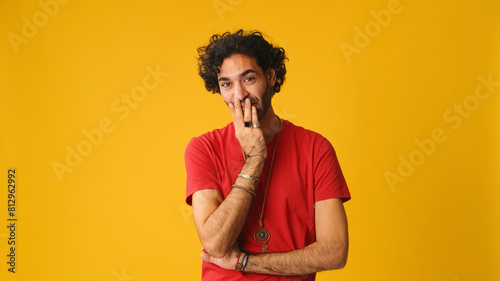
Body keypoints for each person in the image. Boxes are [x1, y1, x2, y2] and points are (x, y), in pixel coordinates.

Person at [185, 29, 351, 281]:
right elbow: (216, 244)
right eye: (226, 84)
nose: (238, 95)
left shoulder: (316, 148)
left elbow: (334, 252)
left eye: (248, 79)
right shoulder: (203, 148)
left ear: (270, 77)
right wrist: (254, 160)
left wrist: (243, 262)